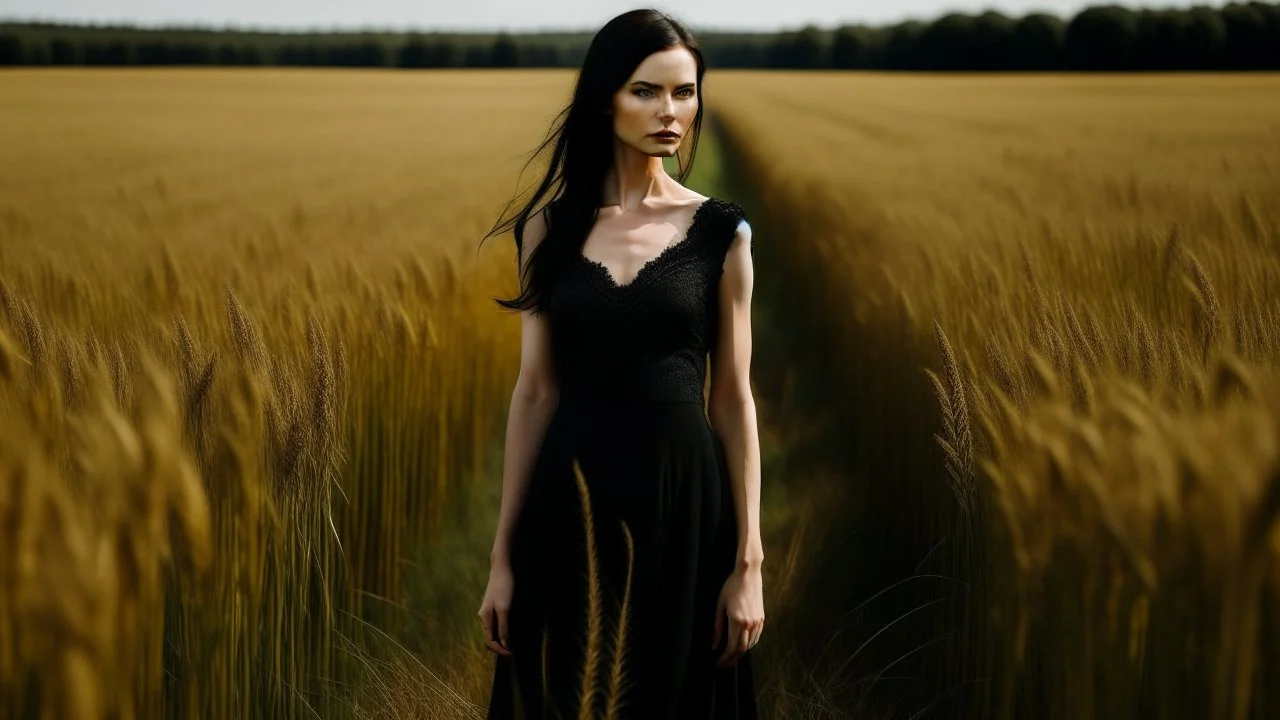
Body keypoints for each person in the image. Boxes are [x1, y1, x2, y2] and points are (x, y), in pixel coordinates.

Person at [477, 8, 764, 719]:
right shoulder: (546, 229)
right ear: (606, 95)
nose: (670, 112)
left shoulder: (723, 233)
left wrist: (749, 563)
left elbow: (732, 399)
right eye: (647, 91)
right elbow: (536, 393)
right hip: (569, 503)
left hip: (684, 505)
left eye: (685, 92)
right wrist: (502, 559)